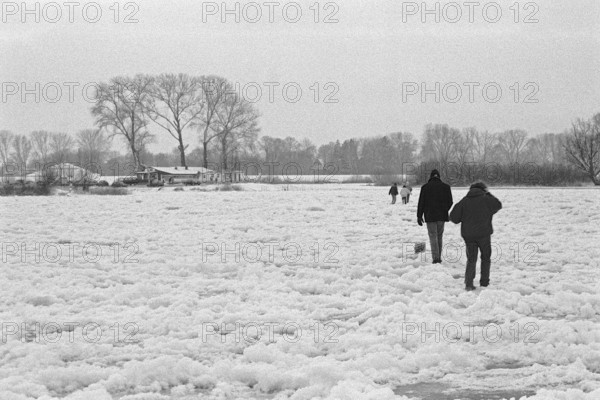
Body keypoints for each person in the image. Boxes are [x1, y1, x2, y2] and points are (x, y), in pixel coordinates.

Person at [450, 182, 502, 291]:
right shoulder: (487, 199)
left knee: (471, 258)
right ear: (483, 189)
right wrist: (488, 194)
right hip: (484, 234)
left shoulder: (464, 201)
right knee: (486, 258)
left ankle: (469, 283)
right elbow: (498, 205)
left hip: (469, 236)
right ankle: (484, 283)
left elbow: (453, 218)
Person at [417, 169, 453, 264]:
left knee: (433, 236)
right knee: (439, 236)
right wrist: (445, 210)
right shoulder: (446, 187)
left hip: (430, 216)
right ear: (439, 176)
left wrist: (419, 216)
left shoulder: (425, 187)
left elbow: (421, 203)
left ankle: (436, 258)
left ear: (430, 176)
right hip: (442, 216)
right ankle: (438, 257)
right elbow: (450, 202)